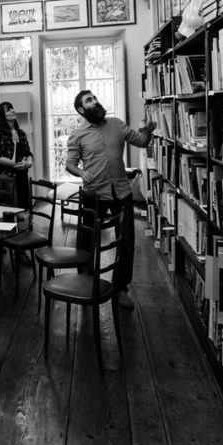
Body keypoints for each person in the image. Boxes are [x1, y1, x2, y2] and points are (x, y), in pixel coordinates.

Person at [65, 90, 156, 310]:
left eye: (95, 97)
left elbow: (142, 141)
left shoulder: (116, 124)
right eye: (89, 100)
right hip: (94, 194)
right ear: (81, 109)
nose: (95, 101)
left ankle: (121, 289)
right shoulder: (77, 134)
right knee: (87, 239)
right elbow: (70, 164)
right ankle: (85, 281)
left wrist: (148, 130)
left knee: (126, 242)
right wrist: (81, 173)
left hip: (121, 193)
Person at [0, 101, 33, 210]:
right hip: (7, 177)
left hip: (22, 175)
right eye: (8, 110)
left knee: (23, 209)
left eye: (12, 108)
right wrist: (16, 164)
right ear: (2, 115)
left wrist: (29, 163)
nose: (13, 110)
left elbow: (28, 153)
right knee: (9, 210)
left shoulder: (21, 133)